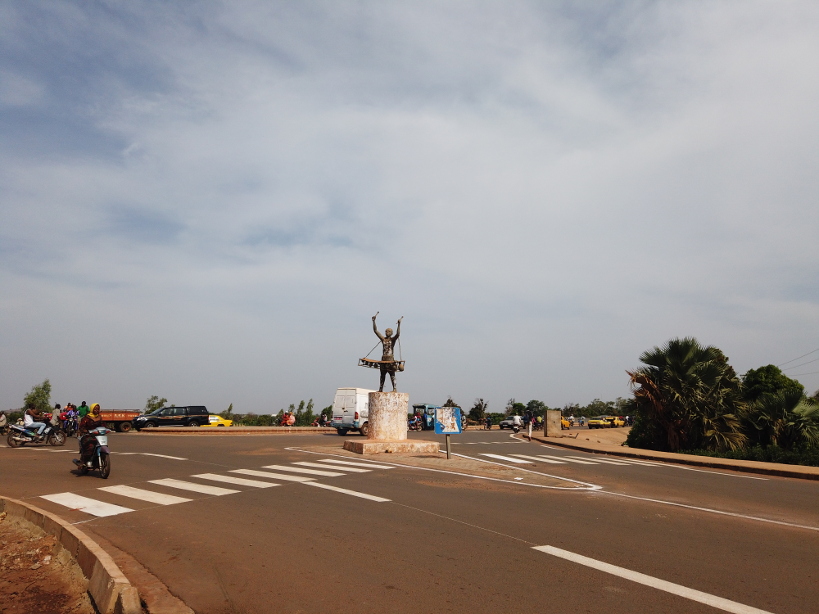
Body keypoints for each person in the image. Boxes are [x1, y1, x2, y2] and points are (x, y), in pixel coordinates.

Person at [372, 313, 402, 392]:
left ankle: (394, 388)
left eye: (388, 331)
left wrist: (399, 325)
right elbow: (375, 331)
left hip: (390, 359)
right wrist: (374, 321)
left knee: (392, 375)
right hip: (383, 359)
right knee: (382, 375)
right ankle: (381, 388)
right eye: (386, 331)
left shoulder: (392, 340)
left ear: (391, 333)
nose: (386, 332)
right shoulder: (383, 339)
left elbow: (398, 334)